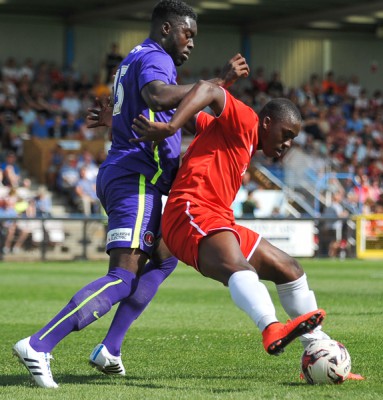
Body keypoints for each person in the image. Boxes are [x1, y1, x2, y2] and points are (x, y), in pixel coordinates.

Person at [13, 0, 249, 389]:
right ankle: (39, 345)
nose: (191, 43)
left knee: (163, 258)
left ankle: (110, 349)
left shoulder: (135, 57)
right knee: (122, 276)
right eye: (188, 34)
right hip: (136, 178)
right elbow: (157, 96)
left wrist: (115, 121)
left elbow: (145, 108)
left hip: (135, 175)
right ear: (167, 29)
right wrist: (216, 83)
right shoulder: (157, 58)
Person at [131, 80, 363, 379]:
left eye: (292, 139)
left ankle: (321, 351)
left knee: (289, 269)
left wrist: (127, 119)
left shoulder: (235, 134)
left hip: (217, 217)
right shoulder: (246, 120)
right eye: (286, 134)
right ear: (267, 122)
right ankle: (270, 327)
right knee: (240, 268)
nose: (287, 144)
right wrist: (170, 126)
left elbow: (191, 113)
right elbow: (209, 91)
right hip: (189, 211)